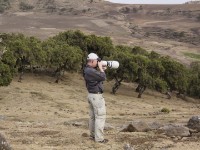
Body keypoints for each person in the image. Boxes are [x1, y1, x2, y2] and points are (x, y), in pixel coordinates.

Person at [83, 53, 108, 143]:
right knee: (100, 117)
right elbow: (103, 77)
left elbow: (98, 77)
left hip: (91, 95)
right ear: (93, 61)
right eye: (97, 61)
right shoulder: (90, 71)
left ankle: (93, 136)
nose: (98, 63)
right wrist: (101, 69)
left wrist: (101, 69)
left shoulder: (88, 70)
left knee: (93, 117)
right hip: (96, 96)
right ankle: (99, 139)